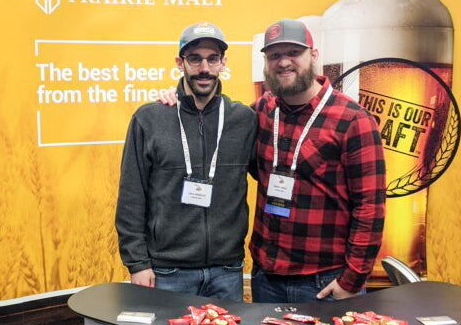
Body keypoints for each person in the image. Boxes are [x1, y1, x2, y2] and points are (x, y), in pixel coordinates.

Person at [116, 22, 257, 301]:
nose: (204, 68)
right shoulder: (150, 118)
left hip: (226, 271)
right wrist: (138, 263)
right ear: (180, 63)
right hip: (169, 271)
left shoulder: (243, 119)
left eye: (212, 59)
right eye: (195, 59)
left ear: (223, 63)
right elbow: (132, 195)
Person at [249, 19, 386, 302]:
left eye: (293, 53)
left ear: (313, 56)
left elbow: (370, 208)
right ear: (265, 61)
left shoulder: (353, 120)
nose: (283, 62)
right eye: (274, 55)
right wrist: (178, 98)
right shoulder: (261, 111)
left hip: (324, 282)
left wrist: (351, 280)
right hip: (266, 278)